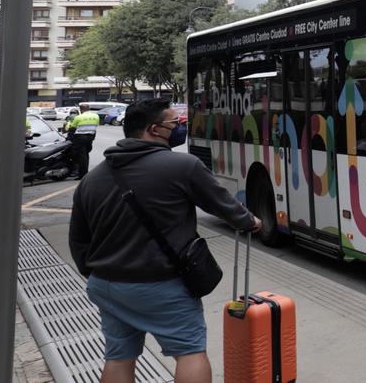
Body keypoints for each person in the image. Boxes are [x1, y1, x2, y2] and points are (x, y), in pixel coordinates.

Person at [69, 99, 261, 383]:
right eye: (175, 123)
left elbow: (78, 241)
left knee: (119, 356)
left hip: (106, 284)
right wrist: (251, 222)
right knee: (190, 351)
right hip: (160, 285)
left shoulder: (92, 179)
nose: (180, 127)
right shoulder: (182, 165)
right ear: (155, 129)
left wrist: (102, 275)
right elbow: (225, 207)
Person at [64, 103, 101, 178]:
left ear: (81, 110)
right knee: (86, 155)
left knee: (81, 156)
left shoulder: (78, 117)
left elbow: (72, 128)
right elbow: (96, 125)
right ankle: (84, 173)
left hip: (80, 137)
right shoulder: (96, 116)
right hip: (90, 137)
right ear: (89, 108)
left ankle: (82, 174)